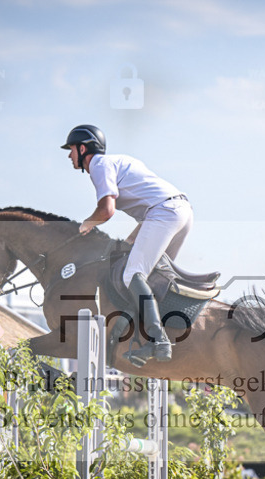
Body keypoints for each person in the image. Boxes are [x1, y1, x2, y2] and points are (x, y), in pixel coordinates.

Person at [61, 124, 193, 363]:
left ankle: (159, 339)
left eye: (71, 149)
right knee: (150, 278)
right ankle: (153, 339)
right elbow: (149, 211)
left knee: (132, 275)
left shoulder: (98, 165)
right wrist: (129, 242)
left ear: (83, 148)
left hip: (163, 212)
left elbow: (106, 210)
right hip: (181, 211)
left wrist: (86, 224)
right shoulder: (118, 161)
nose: (69, 155)